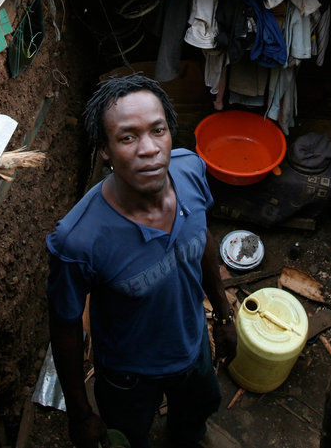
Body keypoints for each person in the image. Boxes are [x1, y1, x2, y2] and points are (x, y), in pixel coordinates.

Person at [47, 74, 237, 448]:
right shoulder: (78, 240)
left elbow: (202, 239)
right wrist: (81, 413)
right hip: (128, 376)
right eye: (128, 137)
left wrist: (223, 313)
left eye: (158, 130)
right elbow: (65, 328)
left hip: (193, 344)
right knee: (128, 437)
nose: (149, 149)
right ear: (105, 150)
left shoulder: (191, 171)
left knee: (197, 412)